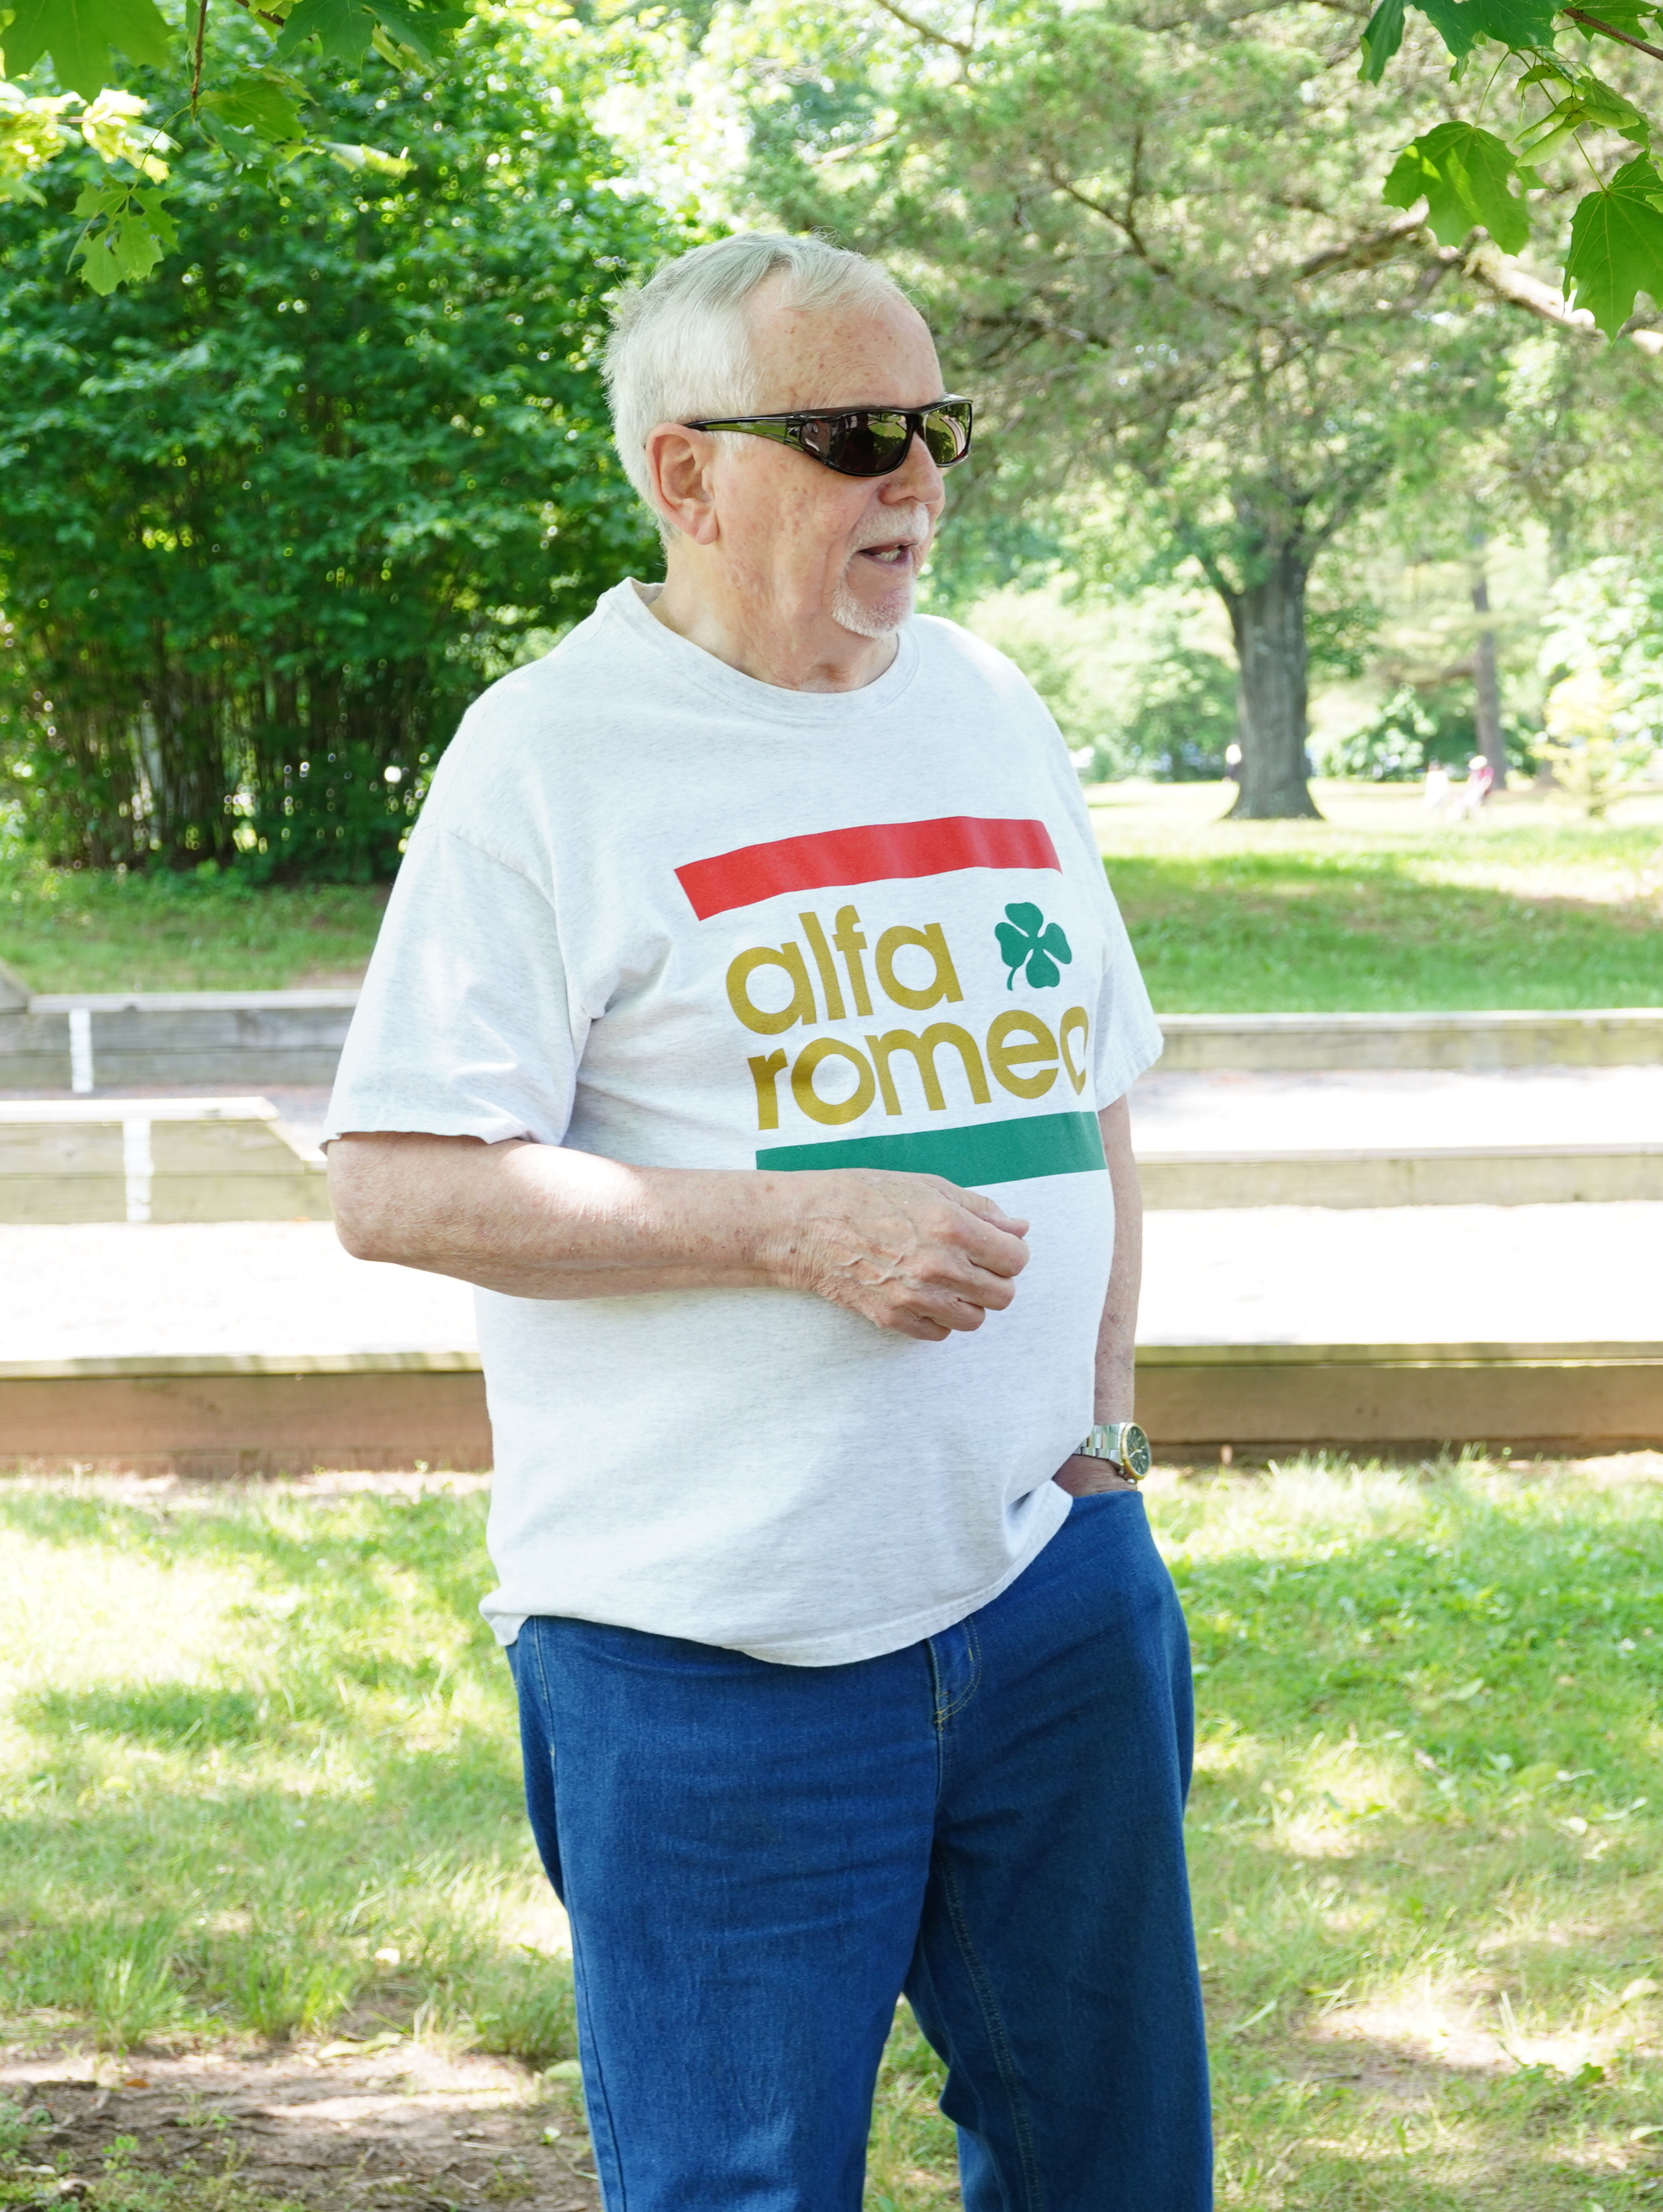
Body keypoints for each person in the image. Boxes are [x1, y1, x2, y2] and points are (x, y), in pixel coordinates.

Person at [324, 233, 1208, 2212]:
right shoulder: (547, 753)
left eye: (937, 427)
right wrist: (788, 1231)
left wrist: (1105, 1450)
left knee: (1118, 2169)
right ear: (686, 472)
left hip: (1052, 1594)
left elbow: (1098, 1088)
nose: (920, 477)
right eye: (854, 434)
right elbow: (393, 1181)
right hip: (704, 1654)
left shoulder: (988, 701)